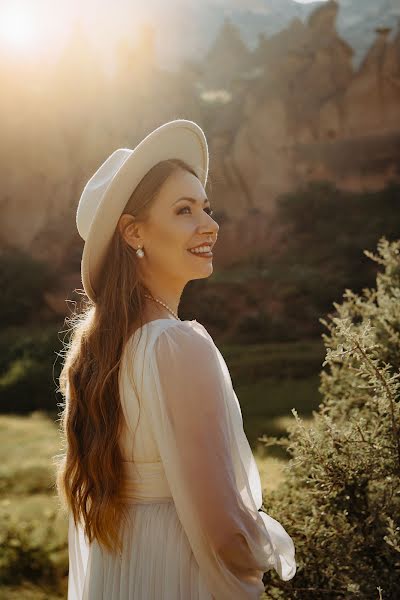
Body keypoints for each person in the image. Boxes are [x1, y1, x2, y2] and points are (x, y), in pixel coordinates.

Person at [55, 119, 296, 600]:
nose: (209, 224)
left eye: (206, 207)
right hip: (179, 575)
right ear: (133, 233)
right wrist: (270, 557)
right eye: (184, 210)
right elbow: (225, 534)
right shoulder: (178, 345)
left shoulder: (100, 347)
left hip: (123, 570)